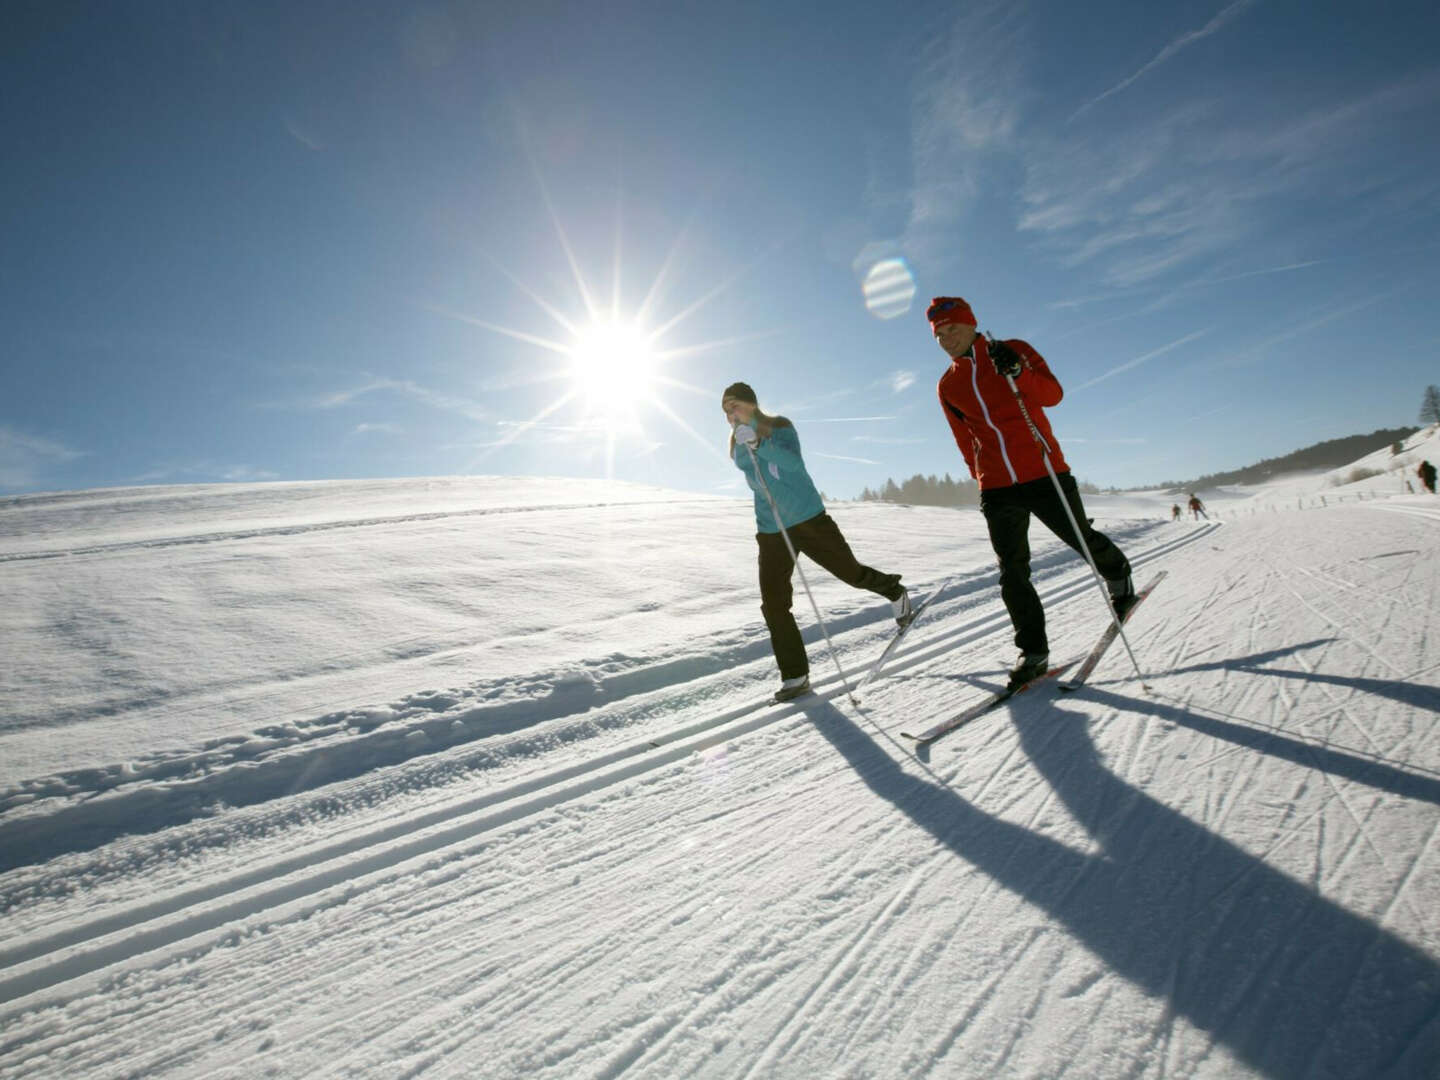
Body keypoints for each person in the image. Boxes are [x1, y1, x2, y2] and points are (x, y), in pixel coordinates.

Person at [927, 297, 1135, 690]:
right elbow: (962, 436)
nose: (945, 337)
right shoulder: (947, 384)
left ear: (972, 324)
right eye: (938, 333)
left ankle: (1118, 572)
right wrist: (980, 476)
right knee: (1012, 571)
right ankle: (1033, 651)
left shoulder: (1014, 350)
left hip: (1043, 471)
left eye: (952, 327)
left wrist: (1019, 372)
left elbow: (1052, 395)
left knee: (1080, 537)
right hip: (997, 486)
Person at [722, 381, 912, 702]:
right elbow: (753, 474)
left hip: (809, 519)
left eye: (735, 406)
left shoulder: (779, 427)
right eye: (726, 410)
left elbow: (792, 465)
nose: (731, 414)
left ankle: (894, 590)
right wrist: (746, 444)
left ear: (751, 404)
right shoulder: (736, 444)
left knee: (850, 573)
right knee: (774, 603)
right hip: (772, 529)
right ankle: (795, 675)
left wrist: (758, 442)